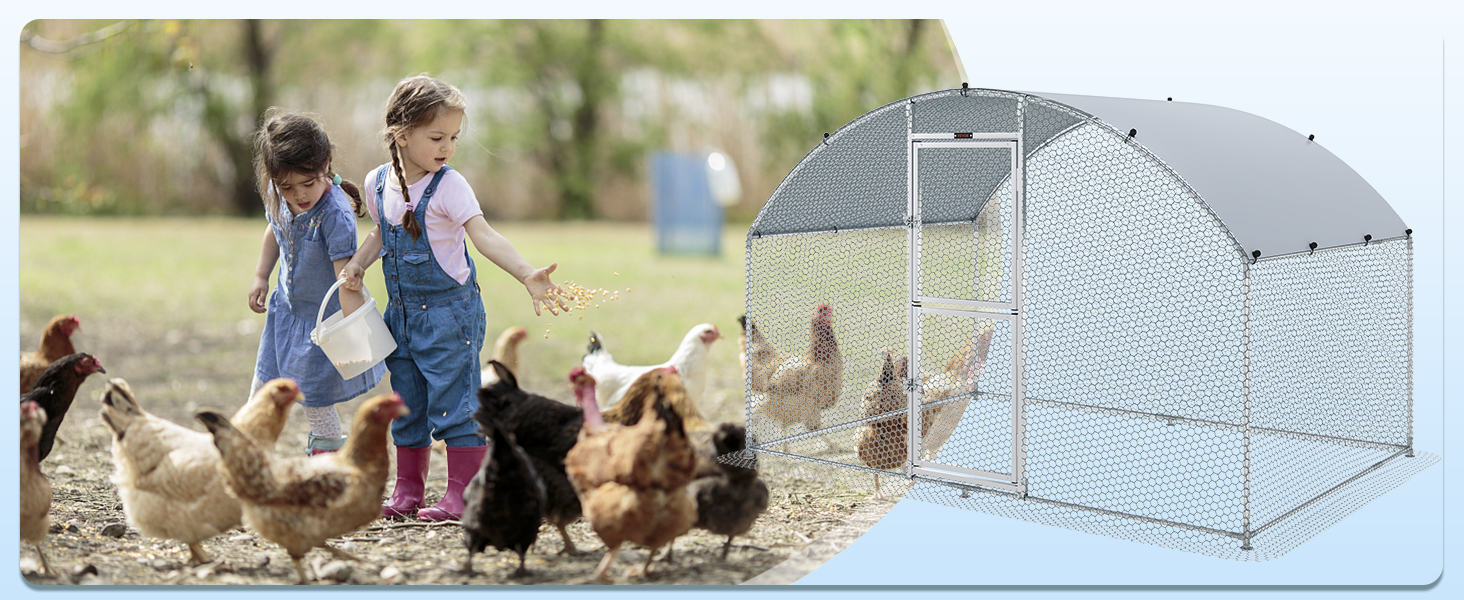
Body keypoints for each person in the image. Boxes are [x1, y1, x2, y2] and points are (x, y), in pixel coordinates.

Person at [340, 75, 563, 522]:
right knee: (408, 402)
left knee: (456, 404)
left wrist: (526, 273)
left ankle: (463, 493)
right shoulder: (377, 182)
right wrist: (359, 263)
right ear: (401, 135)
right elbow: (382, 234)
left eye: (454, 138)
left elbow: (483, 236)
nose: (447, 147)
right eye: (437, 137)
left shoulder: (451, 186)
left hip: (450, 316)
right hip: (400, 315)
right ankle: (408, 491)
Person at [247, 110, 387, 456]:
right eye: (287, 186)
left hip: (319, 325)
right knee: (263, 388)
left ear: (325, 165)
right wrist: (261, 276)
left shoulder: (334, 214)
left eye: (308, 184)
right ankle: (247, 452)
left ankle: (327, 461)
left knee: (315, 400)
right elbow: (274, 230)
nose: (298, 194)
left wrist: (358, 332)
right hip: (286, 314)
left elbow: (346, 278)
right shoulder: (279, 195)